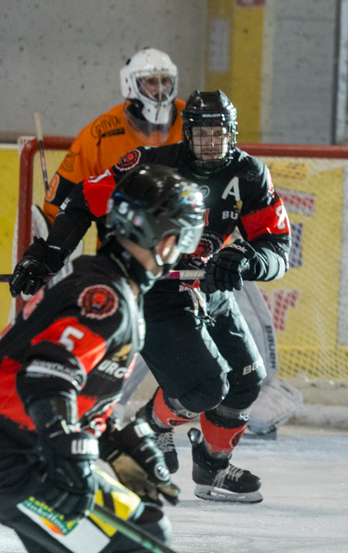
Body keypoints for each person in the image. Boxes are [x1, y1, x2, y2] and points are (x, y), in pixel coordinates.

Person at [10, 90, 291, 504]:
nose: (210, 143)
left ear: (232, 134)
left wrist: (248, 259)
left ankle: (212, 469)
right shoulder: (151, 165)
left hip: (209, 289)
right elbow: (84, 199)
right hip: (156, 292)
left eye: (218, 134)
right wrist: (48, 254)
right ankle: (149, 427)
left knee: (247, 381)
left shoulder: (249, 175)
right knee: (205, 389)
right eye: (202, 134)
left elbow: (276, 248)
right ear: (186, 134)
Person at [4, 163, 206, 553]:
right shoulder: (107, 296)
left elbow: (72, 383)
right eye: (180, 234)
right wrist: (73, 459)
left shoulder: (104, 282)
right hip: (17, 455)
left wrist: (114, 439)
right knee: (144, 539)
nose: (182, 248)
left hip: (17, 449)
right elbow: (48, 377)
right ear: (158, 235)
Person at [41, 49, 185, 225]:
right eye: (150, 82)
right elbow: (57, 205)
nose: (160, 90)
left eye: (166, 81)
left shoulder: (192, 121)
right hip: (117, 239)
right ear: (130, 83)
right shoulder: (101, 133)